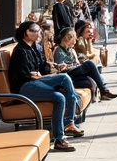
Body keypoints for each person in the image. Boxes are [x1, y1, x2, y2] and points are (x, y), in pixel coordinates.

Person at [7, 19, 83, 152]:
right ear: (25, 33)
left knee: (60, 95)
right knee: (64, 79)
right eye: (33, 31)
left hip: (36, 82)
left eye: (38, 31)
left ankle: (59, 138)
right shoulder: (20, 50)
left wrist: (53, 66)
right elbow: (21, 75)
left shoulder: (36, 47)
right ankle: (70, 119)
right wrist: (34, 74)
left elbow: (43, 69)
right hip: (25, 87)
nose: (38, 33)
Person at [53, 27, 117, 100]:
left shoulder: (71, 50)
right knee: (89, 63)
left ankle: (103, 90)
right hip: (66, 74)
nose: (75, 40)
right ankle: (104, 90)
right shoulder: (58, 50)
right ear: (68, 38)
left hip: (74, 73)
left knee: (90, 79)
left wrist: (77, 63)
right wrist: (73, 64)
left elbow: (76, 63)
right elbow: (62, 68)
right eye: (74, 38)